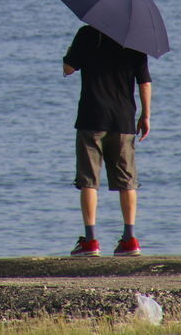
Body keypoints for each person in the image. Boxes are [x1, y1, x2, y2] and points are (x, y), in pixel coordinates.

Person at [61, 23, 152, 257]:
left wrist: (72, 50)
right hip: (123, 120)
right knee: (127, 181)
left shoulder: (87, 33)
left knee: (88, 181)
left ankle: (90, 241)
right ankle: (129, 239)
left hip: (92, 117)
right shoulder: (135, 40)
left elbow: (68, 68)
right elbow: (144, 81)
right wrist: (145, 114)